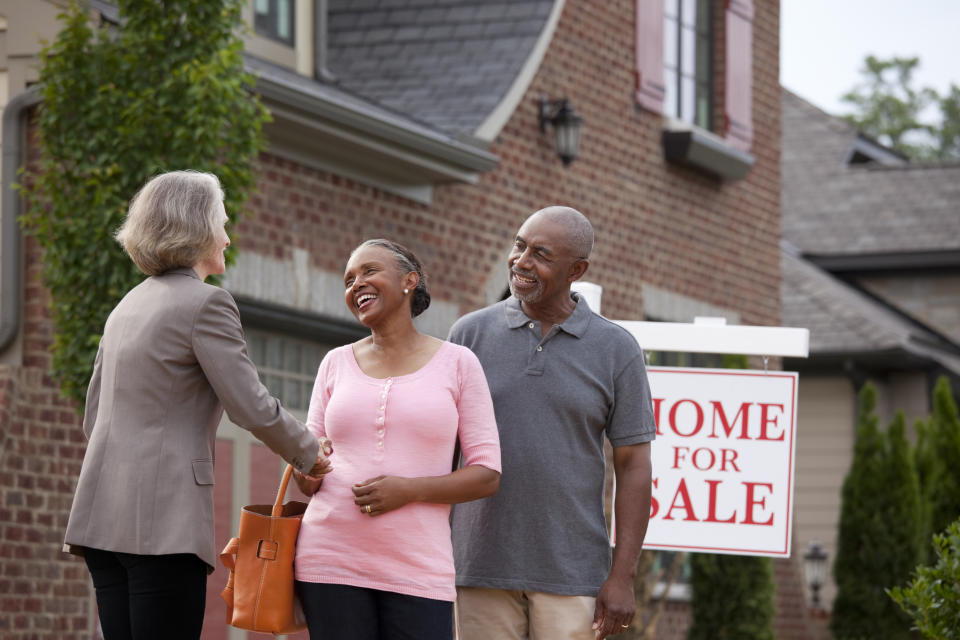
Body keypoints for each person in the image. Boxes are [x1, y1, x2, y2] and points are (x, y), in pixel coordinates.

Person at [63, 171, 332, 640]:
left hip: (101, 517)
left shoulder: (125, 306)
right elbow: (249, 405)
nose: (228, 236)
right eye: (222, 223)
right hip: (163, 523)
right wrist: (310, 454)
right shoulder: (208, 304)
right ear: (199, 228)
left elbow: (93, 417)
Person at [449, 206, 656, 640]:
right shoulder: (468, 336)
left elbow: (634, 465)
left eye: (540, 253)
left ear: (576, 270)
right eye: (519, 245)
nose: (521, 261)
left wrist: (622, 576)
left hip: (572, 571)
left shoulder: (617, 350)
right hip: (477, 564)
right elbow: (443, 451)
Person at [292, 238, 501, 640]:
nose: (356, 284)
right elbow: (308, 480)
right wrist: (307, 462)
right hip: (330, 559)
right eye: (349, 279)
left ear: (410, 281)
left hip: (419, 568)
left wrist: (409, 490)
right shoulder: (334, 363)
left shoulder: (458, 364)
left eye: (369, 271)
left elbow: (487, 475)